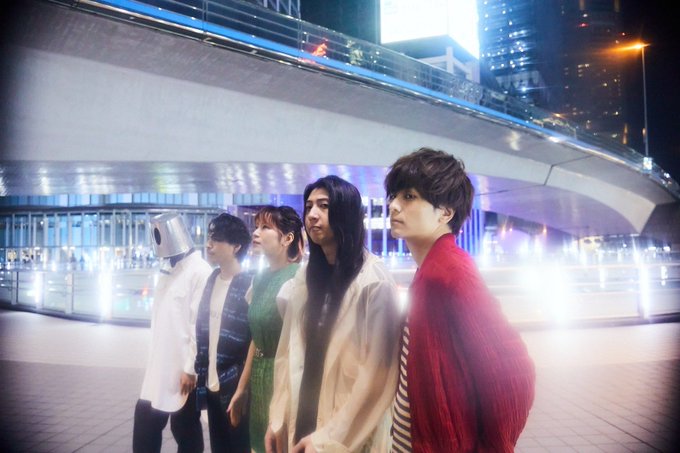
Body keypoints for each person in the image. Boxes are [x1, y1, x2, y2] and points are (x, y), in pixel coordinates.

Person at [384, 148, 536, 453]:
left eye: (409, 196)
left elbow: (514, 372)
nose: (394, 205)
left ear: (445, 213)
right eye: (394, 196)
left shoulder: (450, 272)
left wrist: (491, 447)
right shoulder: (432, 269)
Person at [266, 175, 402, 453]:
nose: (312, 215)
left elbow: (377, 375)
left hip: (348, 434)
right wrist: (277, 418)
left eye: (324, 206)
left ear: (346, 213)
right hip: (303, 420)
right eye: (308, 207)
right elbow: (287, 354)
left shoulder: (373, 282)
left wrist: (327, 438)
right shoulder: (306, 278)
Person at [227, 206, 304, 453]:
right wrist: (241, 388)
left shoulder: (298, 279)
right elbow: (256, 339)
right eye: (256, 226)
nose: (256, 232)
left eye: (265, 227)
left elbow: (300, 346)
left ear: (287, 238)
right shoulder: (259, 279)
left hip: (285, 379)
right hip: (258, 379)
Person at [133, 212, 212, 453]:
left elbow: (198, 324)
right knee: (145, 423)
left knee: (185, 427)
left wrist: (190, 368)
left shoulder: (200, 271)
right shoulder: (169, 269)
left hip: (183, 371)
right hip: (159, 367)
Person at [193, 213, 253, 452]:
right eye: (209, 238)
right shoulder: (211, 279)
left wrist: (243, 387)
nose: (209, 244)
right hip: (211, 383)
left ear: (236, 246)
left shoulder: (249, 283)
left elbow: (253, 341)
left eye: (216, 239)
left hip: (235, 385)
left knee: (239, 446)